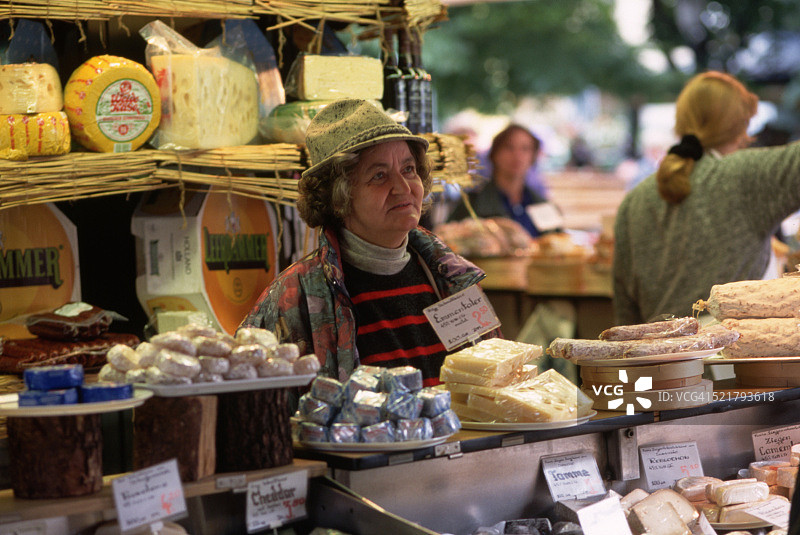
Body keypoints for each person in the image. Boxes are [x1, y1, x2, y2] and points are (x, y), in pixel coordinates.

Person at [240, 99, 498, 385]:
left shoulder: (453, 277)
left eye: (409, 169)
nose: (403, 187)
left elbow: (499, 383)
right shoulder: (293, 299)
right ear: (339, 197)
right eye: (379, 175)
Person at [613, 71, 800, 325]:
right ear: (742, 126)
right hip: (730, 359)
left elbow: (625, 311)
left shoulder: (634, 200)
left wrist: (629, 366)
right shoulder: (748, 176)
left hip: (654, 358)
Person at [448, 124, 551, 238]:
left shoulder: (541, 203)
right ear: (494, 153)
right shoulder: (471, 203)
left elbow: (558, 241)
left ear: (533, 156)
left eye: (525, 149)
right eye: (509, 148)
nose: (517, 155)